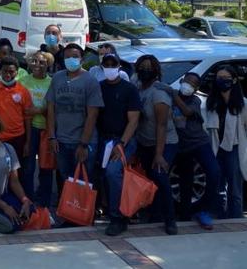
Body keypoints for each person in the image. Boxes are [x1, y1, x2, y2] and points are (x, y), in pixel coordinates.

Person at [163, 72, 219, 229]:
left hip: (199, 143)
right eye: (187, 82)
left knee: (214, 172)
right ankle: (184, 214)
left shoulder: (194, 100)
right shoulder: (169, 96)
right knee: (185, 180)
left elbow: (187, 112)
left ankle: (205, 210)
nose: (189, 86)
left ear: (196, 89)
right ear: (181, 80)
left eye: (193, 85)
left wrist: (175, 97)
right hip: (180, 146)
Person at [96, 53, 141, 236]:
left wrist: (121, 143)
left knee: (113, 173)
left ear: (119, 66)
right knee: (101, 175)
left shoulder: (129, 89)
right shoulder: (99, 87)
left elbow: (134, 120)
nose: (109, 67)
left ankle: (118, 218)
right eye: (106, 64)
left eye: (112, 64)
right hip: (102, 139)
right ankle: (107, 210)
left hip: (123, 139)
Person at [134, 54, 179, 235]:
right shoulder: (138, 88)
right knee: (151, 178)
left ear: (156, 71)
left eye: (149, 67)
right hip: (145, 142)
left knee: (160, 176)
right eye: (142, 67)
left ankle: (170, 220)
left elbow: (161, 125)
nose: (145, 70)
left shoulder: (159, 93)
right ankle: (155, 214)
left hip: (165, 142)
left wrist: (159, 154)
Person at [46, 43, 103, 185]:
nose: (71, 59)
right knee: (66, 179)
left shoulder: (90, 81)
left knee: (83, 181)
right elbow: (51, 109)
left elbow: (92, 115)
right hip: (61, 141)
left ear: (82, 59)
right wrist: (52, 136)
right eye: (67, 57)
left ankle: (85, 208)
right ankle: (65, 207)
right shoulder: (57, 78)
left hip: (83, 142)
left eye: (75, 56)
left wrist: (84, 144)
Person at [205, 65, 247, 219]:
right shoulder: (212, 102)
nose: (221, 81)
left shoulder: (243, 104)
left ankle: (235, 217)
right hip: (216, 147)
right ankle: (219, 216)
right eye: (219, 78)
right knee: (217, 183)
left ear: (234, 80)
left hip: (234, 147)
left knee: (235, 186)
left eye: (225, 78)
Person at [0, 56, 33, 168]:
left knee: (16, 172)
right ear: (0, 71)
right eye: (5, 71)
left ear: (17, 72)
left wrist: (28, 142)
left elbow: (28, 118)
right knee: (0, 171)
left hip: (19, 138)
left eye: (11, 71)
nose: (8, 74)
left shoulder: (23, 91)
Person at [19, 51, 54, 208]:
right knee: (28, 167)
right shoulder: (23, 81)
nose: (37, 65)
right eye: (34, 61)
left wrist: (39, 111)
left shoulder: (52, 82)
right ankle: (28, 199)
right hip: (29, 129)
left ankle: (44, 201)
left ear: (48, 64)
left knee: (45, 168)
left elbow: (55, 106)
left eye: (42, 62)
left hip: (46, 129)